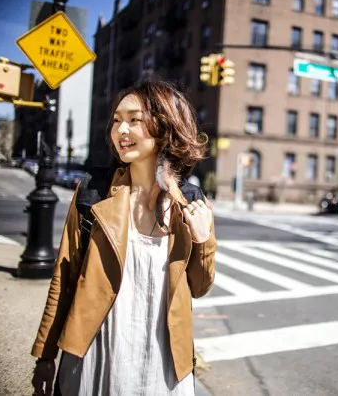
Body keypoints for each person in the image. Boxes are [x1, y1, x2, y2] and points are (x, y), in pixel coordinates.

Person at [30, 79, 217, 396]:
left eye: (134, 120)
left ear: (165, 126)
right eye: (117, 120)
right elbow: (64, 275)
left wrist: (200, 241)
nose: (121, 130)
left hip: (164, 365)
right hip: (96, 357)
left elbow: (199, 287)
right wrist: (45, 355)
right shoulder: (94, 192)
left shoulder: (192, 202)